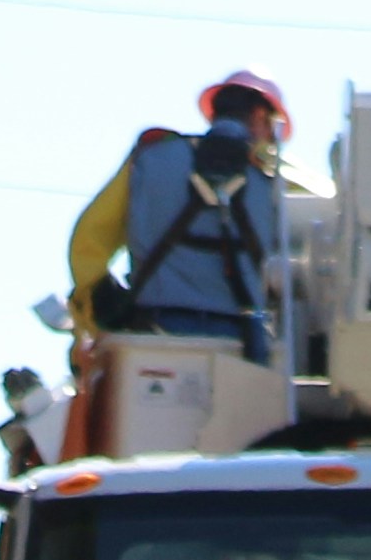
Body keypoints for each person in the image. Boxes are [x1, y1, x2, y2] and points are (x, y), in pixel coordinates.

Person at [69, 72, 296, 370]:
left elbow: (88, 240)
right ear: (259, 116)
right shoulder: (279, 187)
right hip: (241, 348)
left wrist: (99, 305)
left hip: (151, 337)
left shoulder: (150, 158)